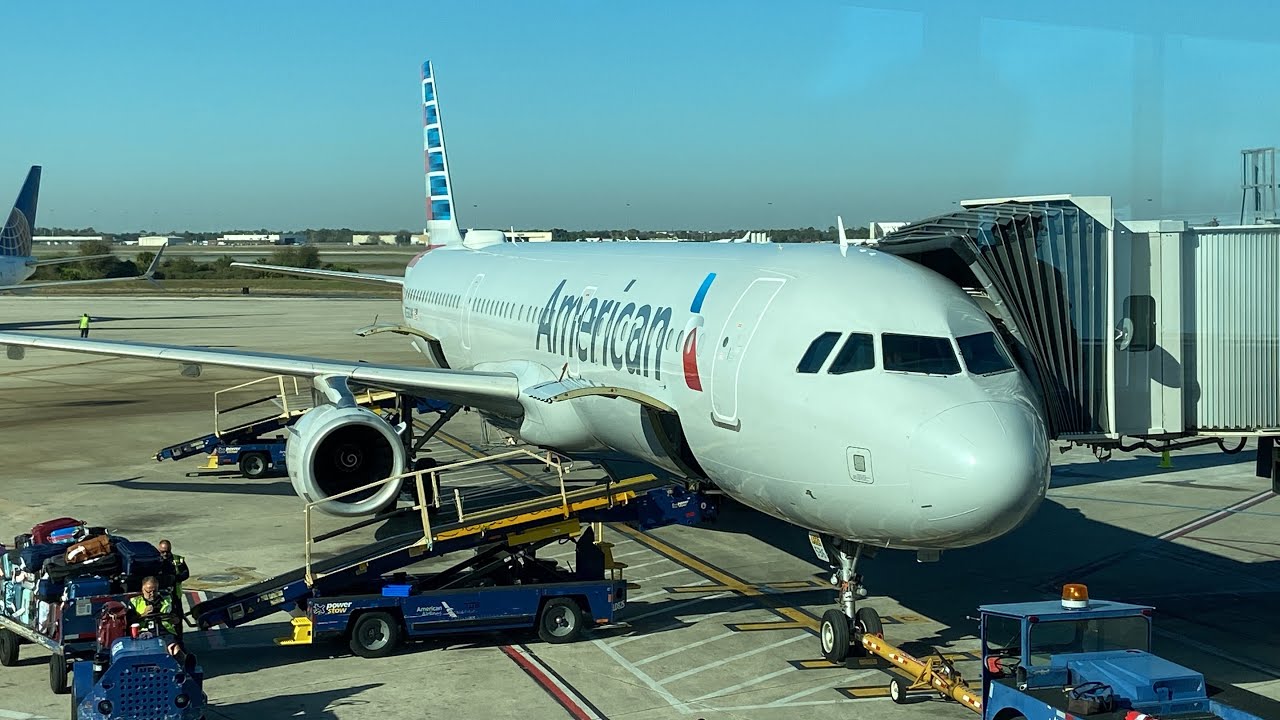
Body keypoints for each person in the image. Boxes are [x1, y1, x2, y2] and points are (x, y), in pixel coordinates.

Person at [158, 540, 189, 638]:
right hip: (161, 596)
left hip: (175, 595)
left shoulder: (177, 560)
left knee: (178, 618)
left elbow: (186, 573)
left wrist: (174, 578)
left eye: (167, 551)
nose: (165, 554)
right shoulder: (156, 560)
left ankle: (179, 638)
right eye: (162, 551)